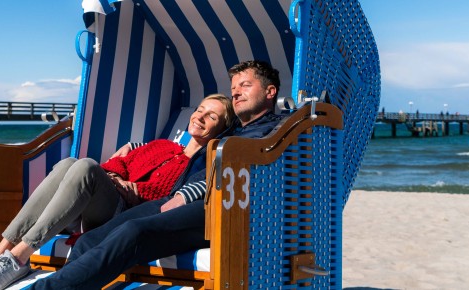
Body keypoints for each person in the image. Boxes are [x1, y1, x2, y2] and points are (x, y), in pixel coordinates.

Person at [29, 60, 285, 289]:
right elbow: (174, 149)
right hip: (179, 198)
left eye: (245, 85)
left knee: (134, 231)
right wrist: (132, 147)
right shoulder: (233, 131)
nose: (236, 92)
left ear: (270, 91)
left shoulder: (275, 134)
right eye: (234, 88)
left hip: (220, 208)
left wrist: (184, 196)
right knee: (89, 240)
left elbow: (230, 170)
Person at [0, 94, 235, 290]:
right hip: (102, 200)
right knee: (68, 164)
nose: (200, 117)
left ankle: (20, 257)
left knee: (85, 166)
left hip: (123, 212)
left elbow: (158, 200)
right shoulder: (161, 145)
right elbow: (117, 163)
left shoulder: (195, 166)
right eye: (200, 109)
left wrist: (131, 189)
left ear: (221, 128)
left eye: (211, 116)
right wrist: (115, 177)